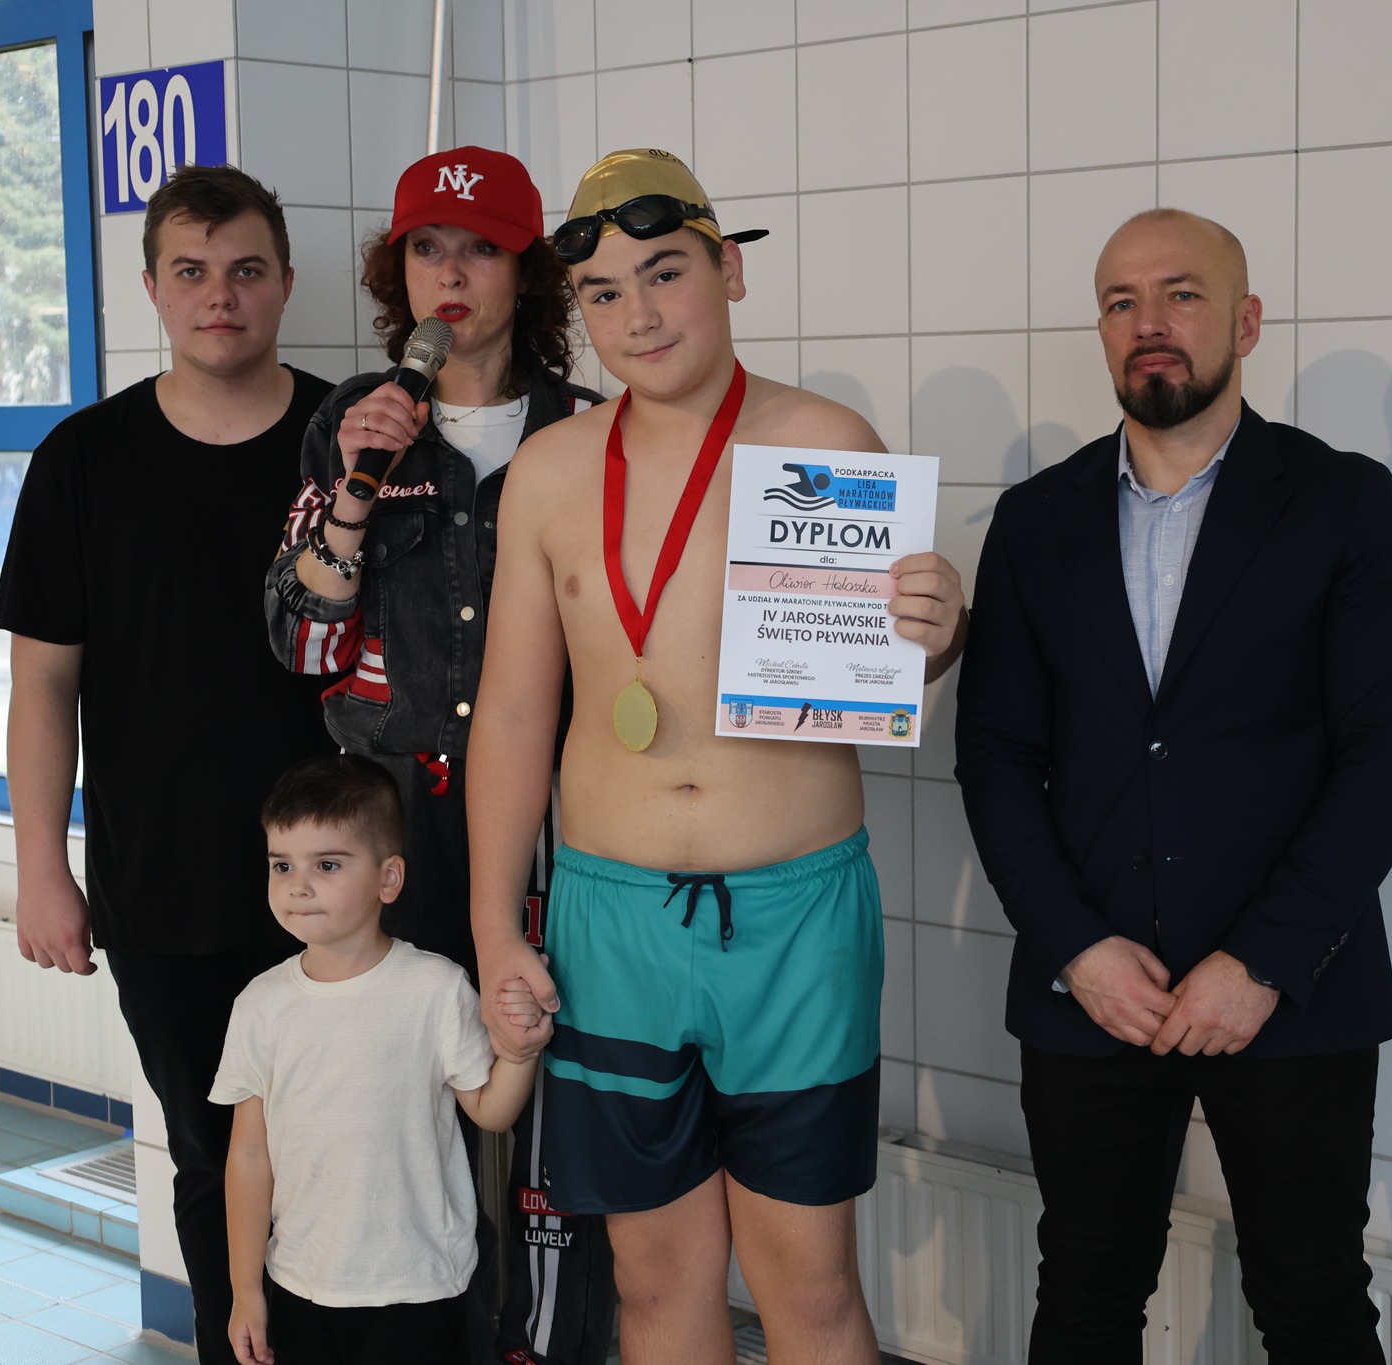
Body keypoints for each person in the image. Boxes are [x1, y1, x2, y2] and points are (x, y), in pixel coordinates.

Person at [466, 149, 968, 1365]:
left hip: (793, 917)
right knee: (651, 1286)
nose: (637, 315)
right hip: (610, 921)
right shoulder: (549, 472)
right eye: (602, 293)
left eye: (665, 273)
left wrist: (937, 637)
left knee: (808, 1287)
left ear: (728, 271)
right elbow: (515, 717)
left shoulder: (821, 442)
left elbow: (871, 678)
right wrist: (492, 928)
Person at [952, 208, 1392, 1364]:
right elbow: (995, 757)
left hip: (1291, 984)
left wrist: (1261, 960)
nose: (1148, 323)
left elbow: (1388, 755)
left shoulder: (1341, 502)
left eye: (1180, 294)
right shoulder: (1034, 520)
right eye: (1120, 302)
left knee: (1312, 1299)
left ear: (1244, 321)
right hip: (1091, 988)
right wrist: (1074, 947)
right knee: (1082, 1294)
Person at [261, 145, 612, 1364]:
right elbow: (301, 645)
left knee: (554, 1102)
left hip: (558, 821)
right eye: (426, 249)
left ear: (529, 272)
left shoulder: (590, 430)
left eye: (479, 249)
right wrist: (355, 490)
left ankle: (548, 1343)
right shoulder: (351, 424)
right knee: (403, 1119)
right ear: (396, 273)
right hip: (393, 828)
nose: (450, 274)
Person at [0, 165, 335, 1364]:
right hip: (166, 887)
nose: (218, 297)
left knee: (351, 1155)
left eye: (244, 271)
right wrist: (43, 870)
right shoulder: (83, 460)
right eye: (190, 272)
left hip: (342, 882)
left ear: (284, 283)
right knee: (211, 1158)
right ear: (151, 288)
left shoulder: (348, 445)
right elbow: (44, 686)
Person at [215, 755, 546, 1365]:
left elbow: (491, 1111)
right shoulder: (259, 1005)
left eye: (327, 865)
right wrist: (245, 1289)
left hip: (422, 1287)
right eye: (282, 865)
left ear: (388, 879)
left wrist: (521, 1050)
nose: (298, 885)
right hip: (301, 1283)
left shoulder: (436, 988)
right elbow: (249, 1156)